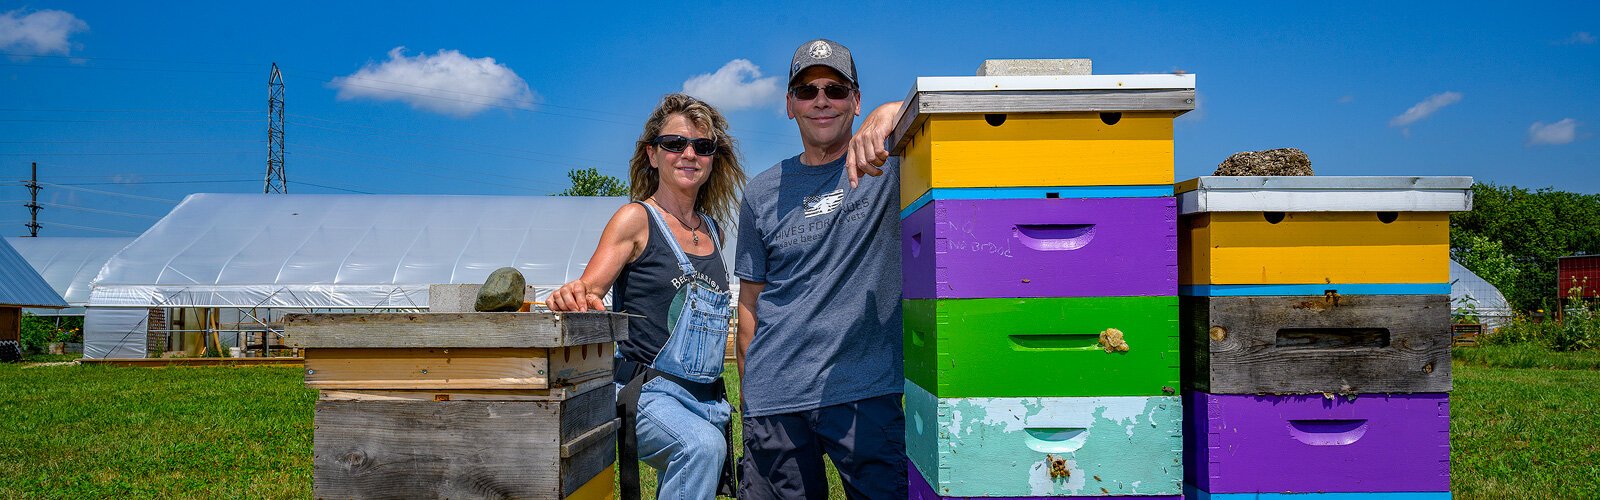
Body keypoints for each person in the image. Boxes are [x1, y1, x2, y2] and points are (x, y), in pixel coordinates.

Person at [733, 38, 909, 499]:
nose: (821, 101)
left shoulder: (890, 164)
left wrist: (891, 110)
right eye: (807, 91)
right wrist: (751, 401)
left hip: (866, 390)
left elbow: (933, 114)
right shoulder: (760, 192)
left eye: (835, 88)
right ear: (790, 105)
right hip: (775, 400)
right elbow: (749, 305)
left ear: (856, 99)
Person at [547, 93, 747, 499]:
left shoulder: (714, 231)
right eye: (675, 144)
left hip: (707, 398)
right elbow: (590, 291)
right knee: (700, 448)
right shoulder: (635, 219)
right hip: (646, 393)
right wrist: (574, 294)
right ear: (652, 154)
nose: (689, 154)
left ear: (713, 159)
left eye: (702, 146)